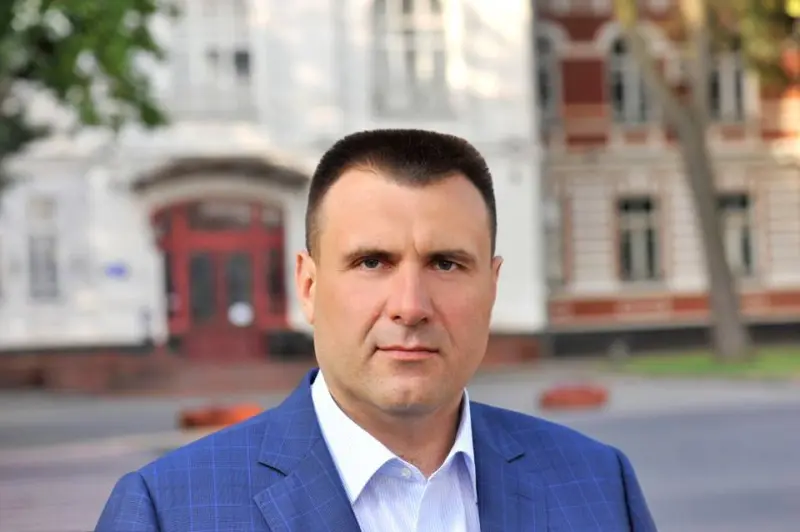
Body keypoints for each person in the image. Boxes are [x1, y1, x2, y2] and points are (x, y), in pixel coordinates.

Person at [95, 129, 657, 531]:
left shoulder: (598, 484)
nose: (410, 307)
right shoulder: (169, 511)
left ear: (491, 287)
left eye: (446, 264)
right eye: (371, 262)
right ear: (308, 286)